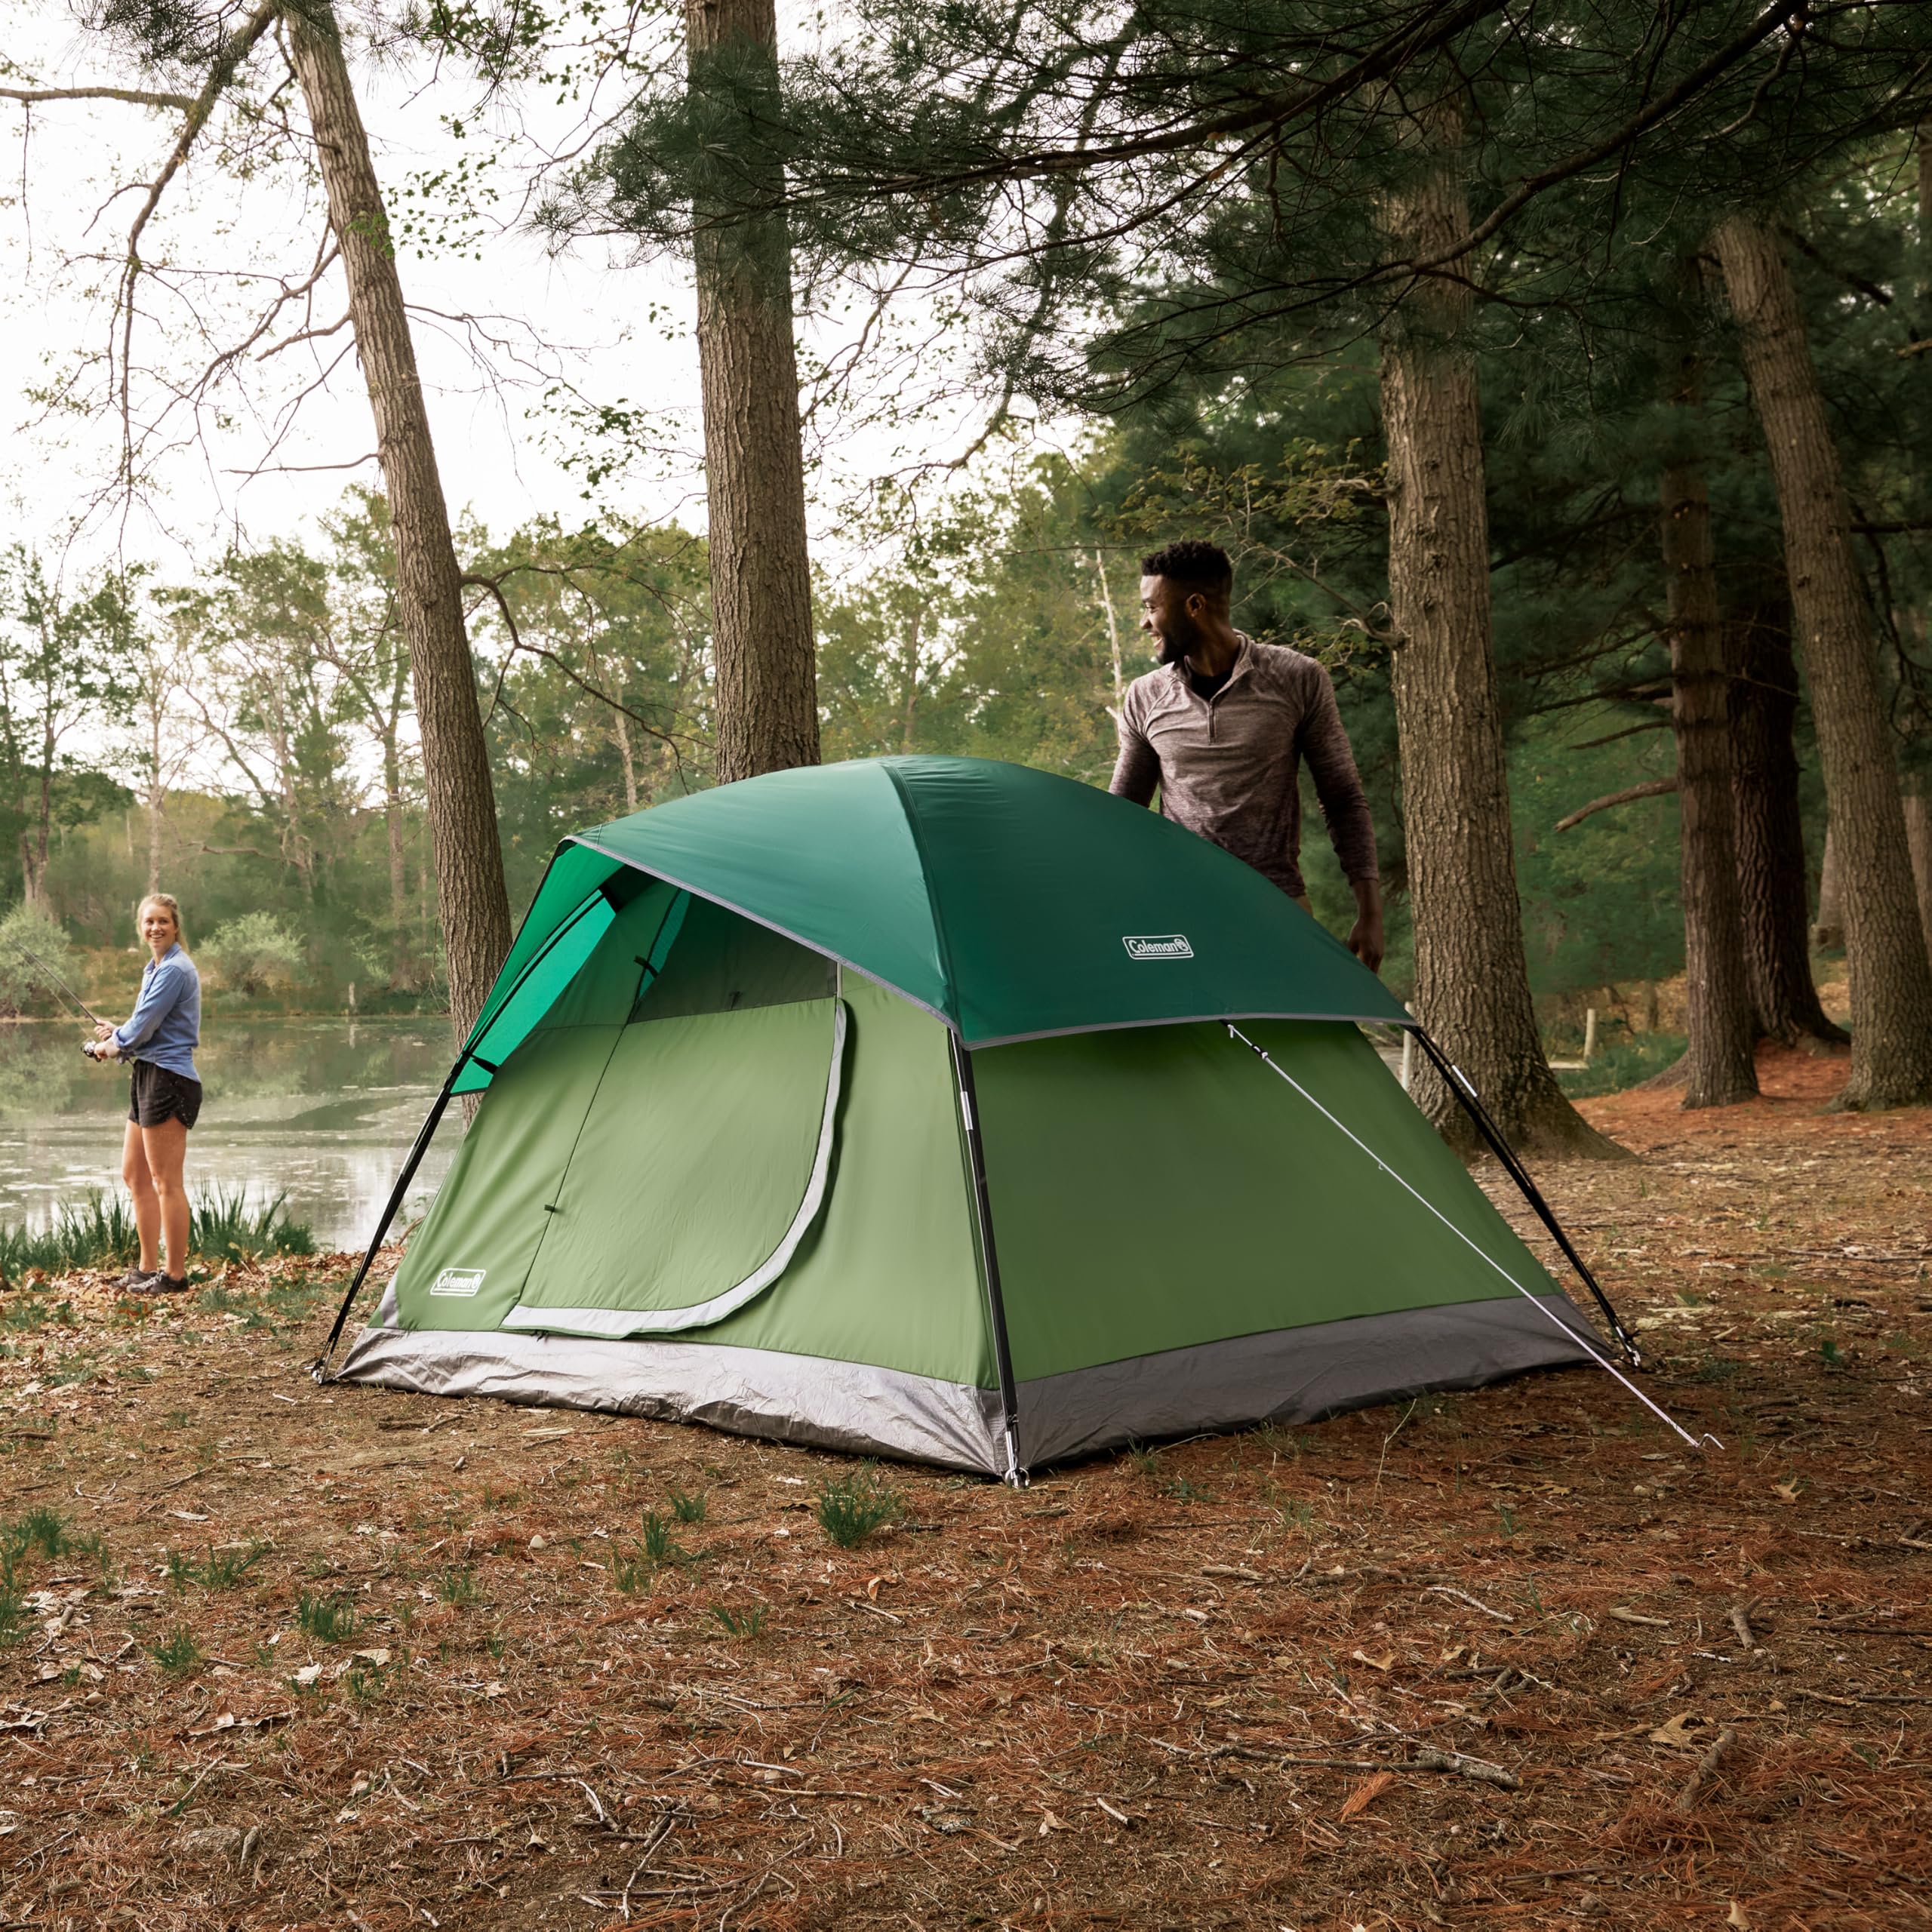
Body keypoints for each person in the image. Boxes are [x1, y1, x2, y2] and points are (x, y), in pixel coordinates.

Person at [1109, 539, 1385, 971]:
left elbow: (1343, 797)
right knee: (1192, 1041)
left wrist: (1370, 915)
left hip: (1277, 908)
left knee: (1298, 1038)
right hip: (1178, 917)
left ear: (1195, 605)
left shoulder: (1297, 679)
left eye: (1151, 607)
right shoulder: (1145, 697)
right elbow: (1121, 819)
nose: (1145, 622)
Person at [89, 894, 202, 1294]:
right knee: (135, 1174)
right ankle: (146, 1269)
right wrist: (116, 1033)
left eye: (163, 921)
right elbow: (142, 1027)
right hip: (149, 1074)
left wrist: (112, 1045)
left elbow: (142, 1030)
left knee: (165, 1180)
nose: (155, 927)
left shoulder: (175, 969)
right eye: (149, 921)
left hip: (169, 1079)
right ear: (141, 927)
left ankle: (174, 1276)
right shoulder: (154, 968)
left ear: (176, 926)